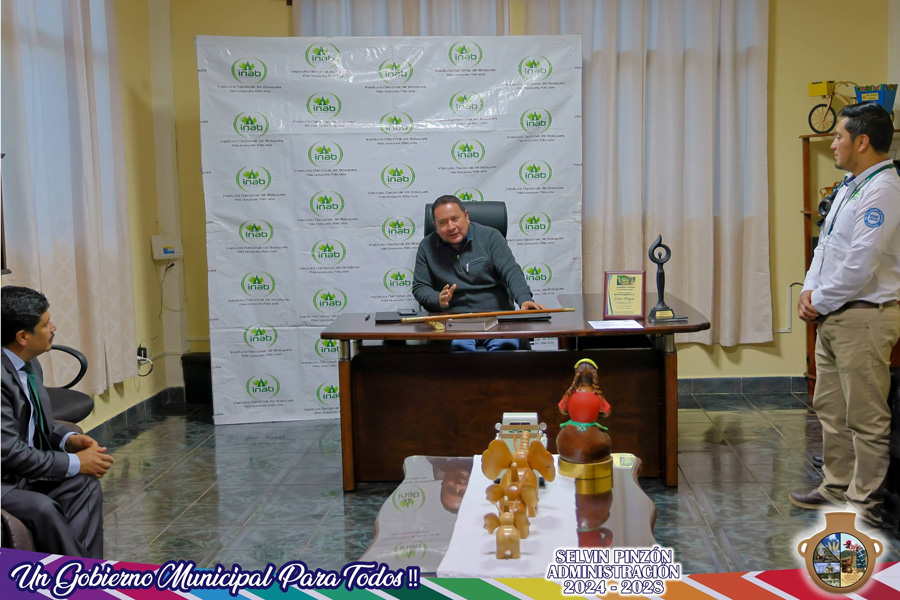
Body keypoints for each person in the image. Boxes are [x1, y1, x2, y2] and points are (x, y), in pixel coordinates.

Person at [792, 103, 900, 528]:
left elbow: (861, 263)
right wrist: (808, 289)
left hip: (864, 316)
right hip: (834, 314)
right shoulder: (853, 185)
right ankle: (836, 486)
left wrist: (819, 300)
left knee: (866, 417)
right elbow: (826, 245)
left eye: (838, 136)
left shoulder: (884, 189)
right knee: (831, 409)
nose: (833, 143)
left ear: (862, 141)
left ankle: (864, 503)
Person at [1, 285, 113, 557]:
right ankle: (82, 579)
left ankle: (82, 573)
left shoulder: (28, 363)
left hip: (21, 472)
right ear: (22, 336)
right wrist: (76, 462)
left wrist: (69, 440)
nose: (53, 328)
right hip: (4, 480)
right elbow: (8, 451)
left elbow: (38, 421)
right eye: (45, 324)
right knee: (42, 509)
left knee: (84, 486)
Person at [412, 195, 546, 351]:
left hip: (497, 319)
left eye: (455, 219)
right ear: (435, 225)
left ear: (466, 216)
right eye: (443, 223)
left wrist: (524, 299)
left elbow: (511, 271)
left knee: (505, 348)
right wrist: (438, 299)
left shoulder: (491, 237)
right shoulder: (426, 247)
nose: (451, 227)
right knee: (461, 350)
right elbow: (420, 287)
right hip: (455, 322)